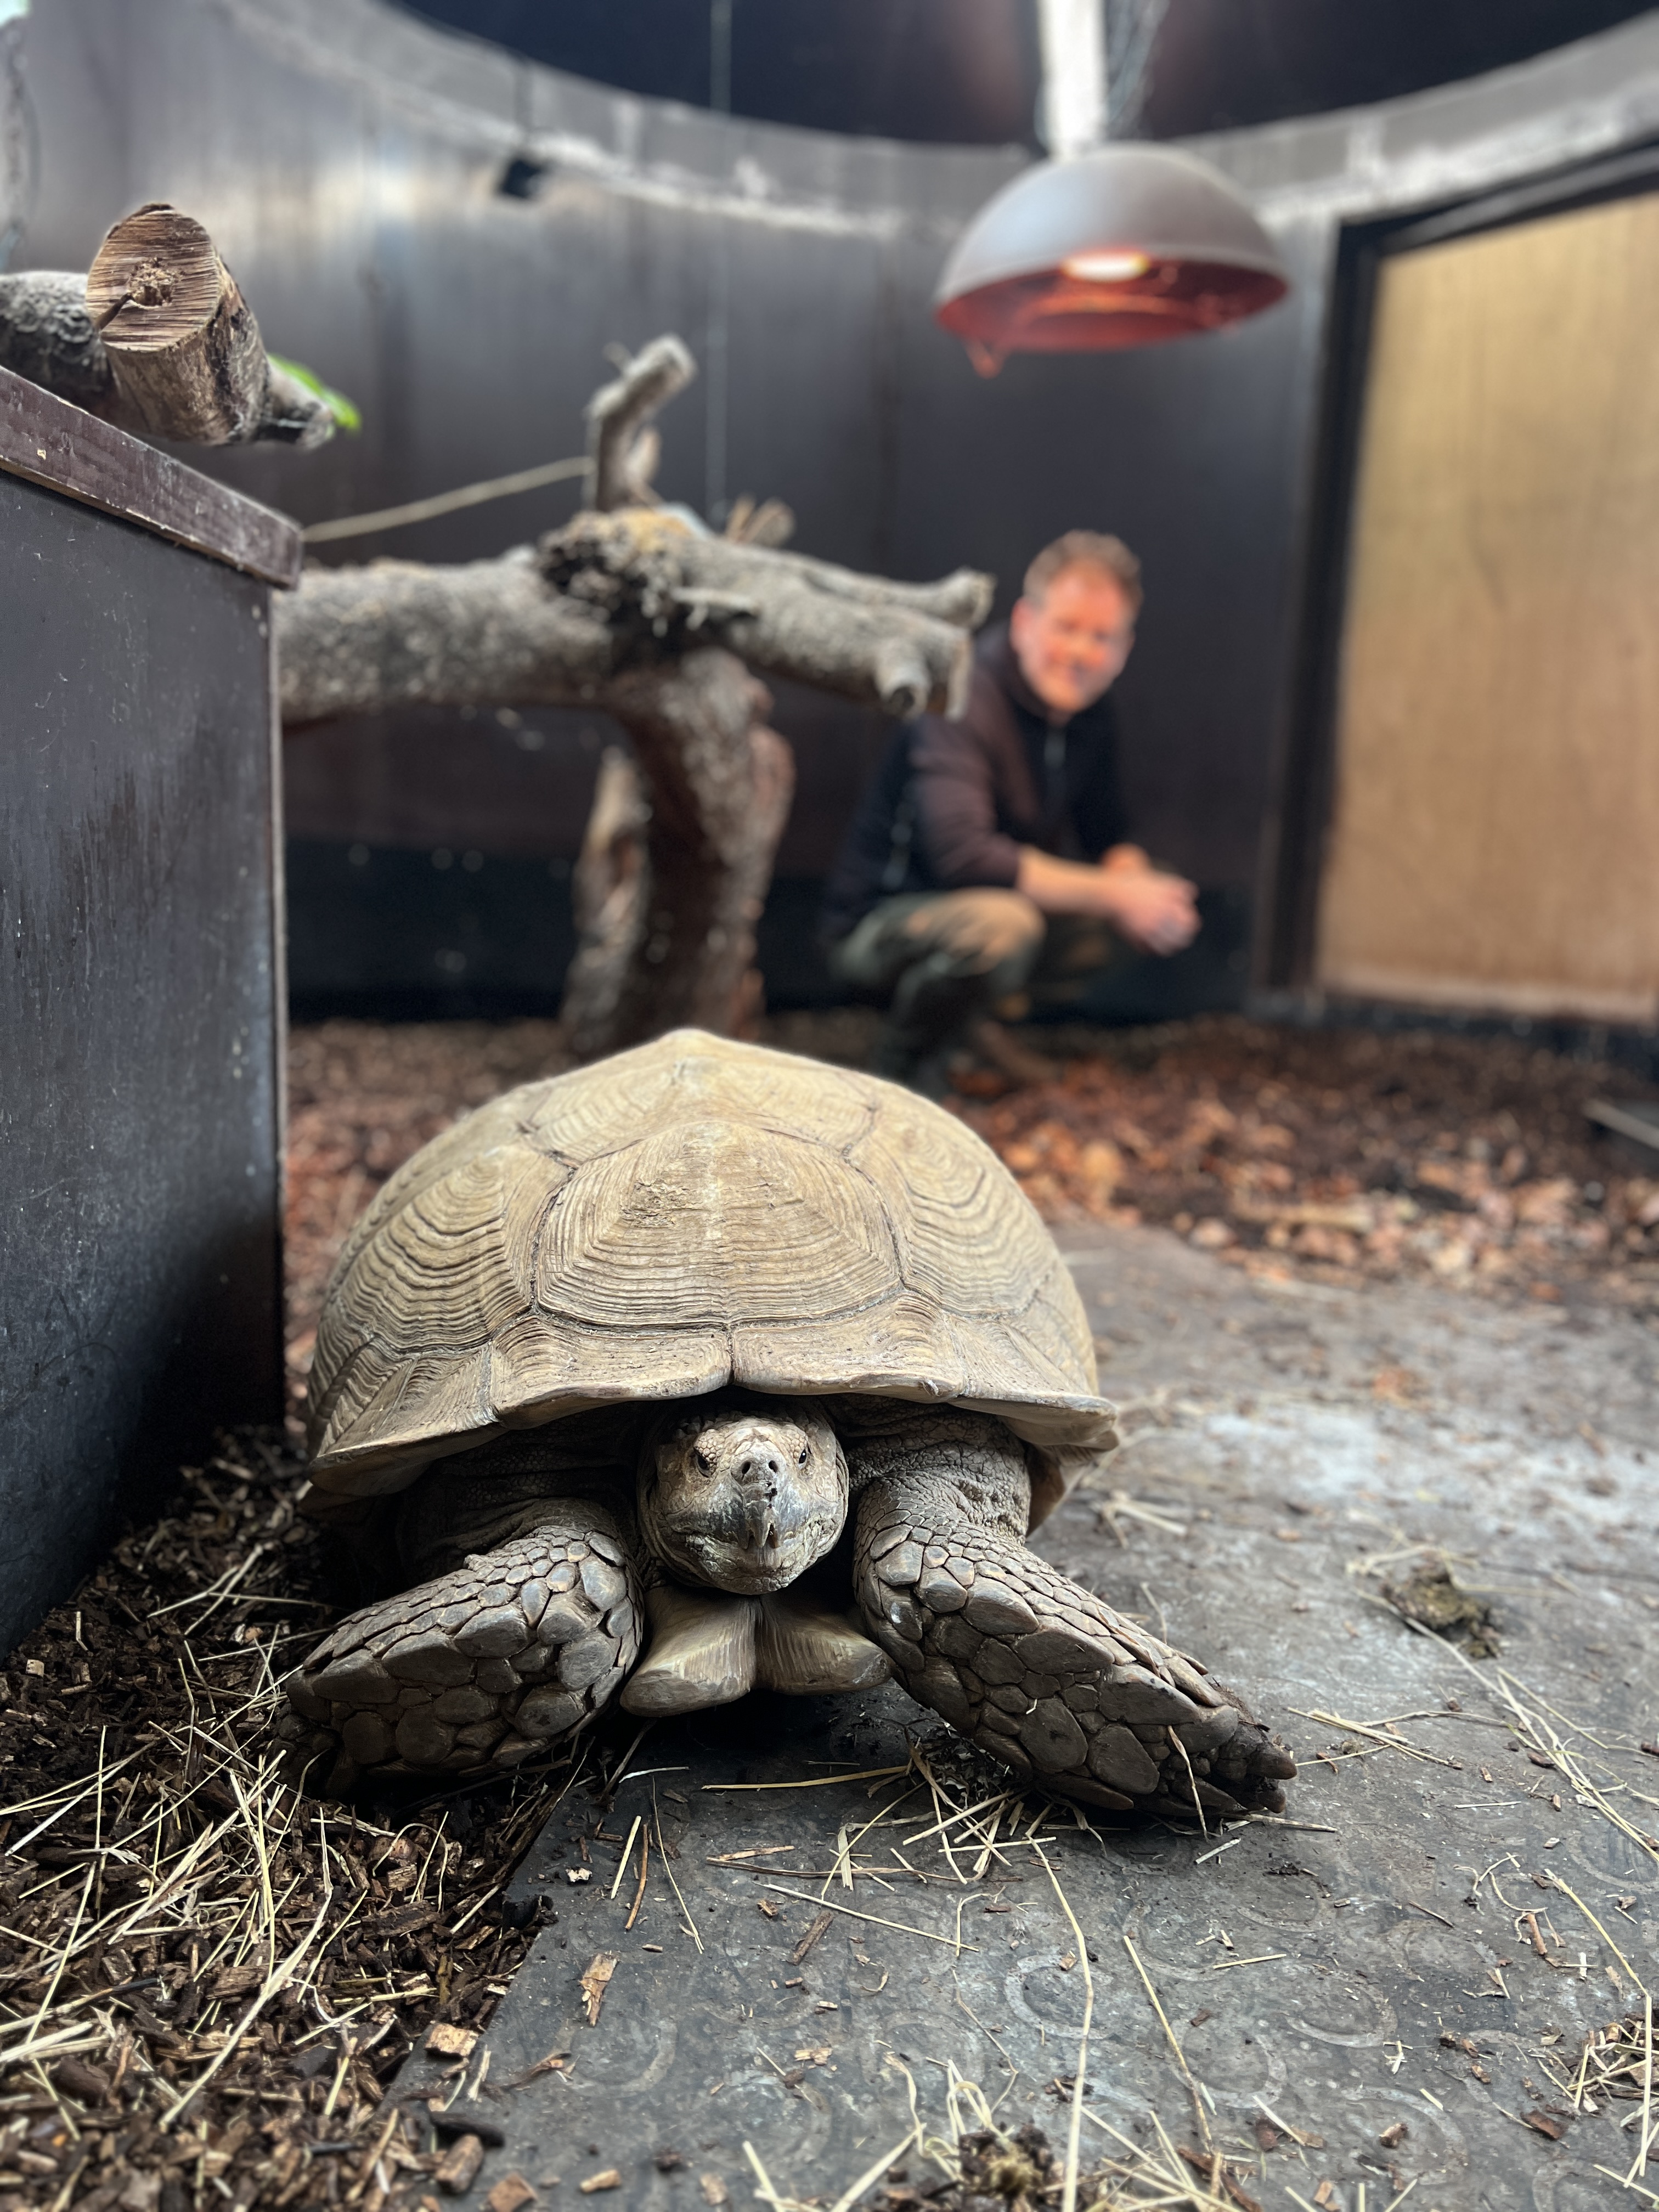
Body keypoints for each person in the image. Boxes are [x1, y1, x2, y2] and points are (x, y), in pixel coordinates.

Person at [820, 529, 1199, 1091]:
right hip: (882, 925)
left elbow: (1107, 833)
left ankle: (966, 1030)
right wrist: (1116, 892)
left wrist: (1137, 890)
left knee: (1149, 890)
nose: (1079, 653)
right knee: (1003, 928)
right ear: (1025, 622)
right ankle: (901, 1074)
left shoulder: (1087, 710)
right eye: (1066, 628)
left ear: (1125, 648)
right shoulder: (965, 692)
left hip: (993, 912)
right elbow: (964, 856)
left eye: (1102, 637)